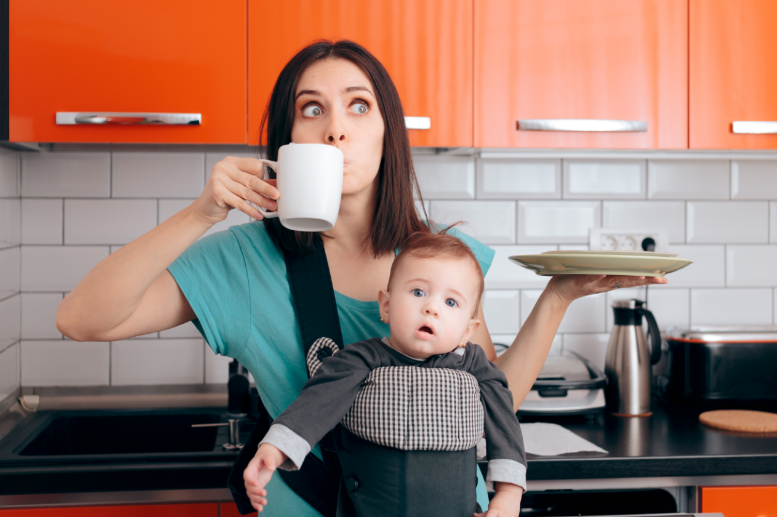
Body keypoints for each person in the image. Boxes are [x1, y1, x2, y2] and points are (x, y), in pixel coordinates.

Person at [55, 39, 667, 516]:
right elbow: (80, 320)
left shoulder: (443, 259)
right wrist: (201, 212)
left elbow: (488, 396)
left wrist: (557, 297)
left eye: (358, 105)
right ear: (287, 138)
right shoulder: (240, 261)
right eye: (311, 109)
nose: (335, 128)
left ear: (385, 131)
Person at [247, 231, 526, 516]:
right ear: (387, 305)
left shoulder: (475, 366)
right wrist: (273, 449)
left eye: (451, 302)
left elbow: (504, 423)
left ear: (468, 330)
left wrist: (508, 493)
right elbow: (316, 403)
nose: (431, 308)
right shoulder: (360, 359)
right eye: (418, 292)